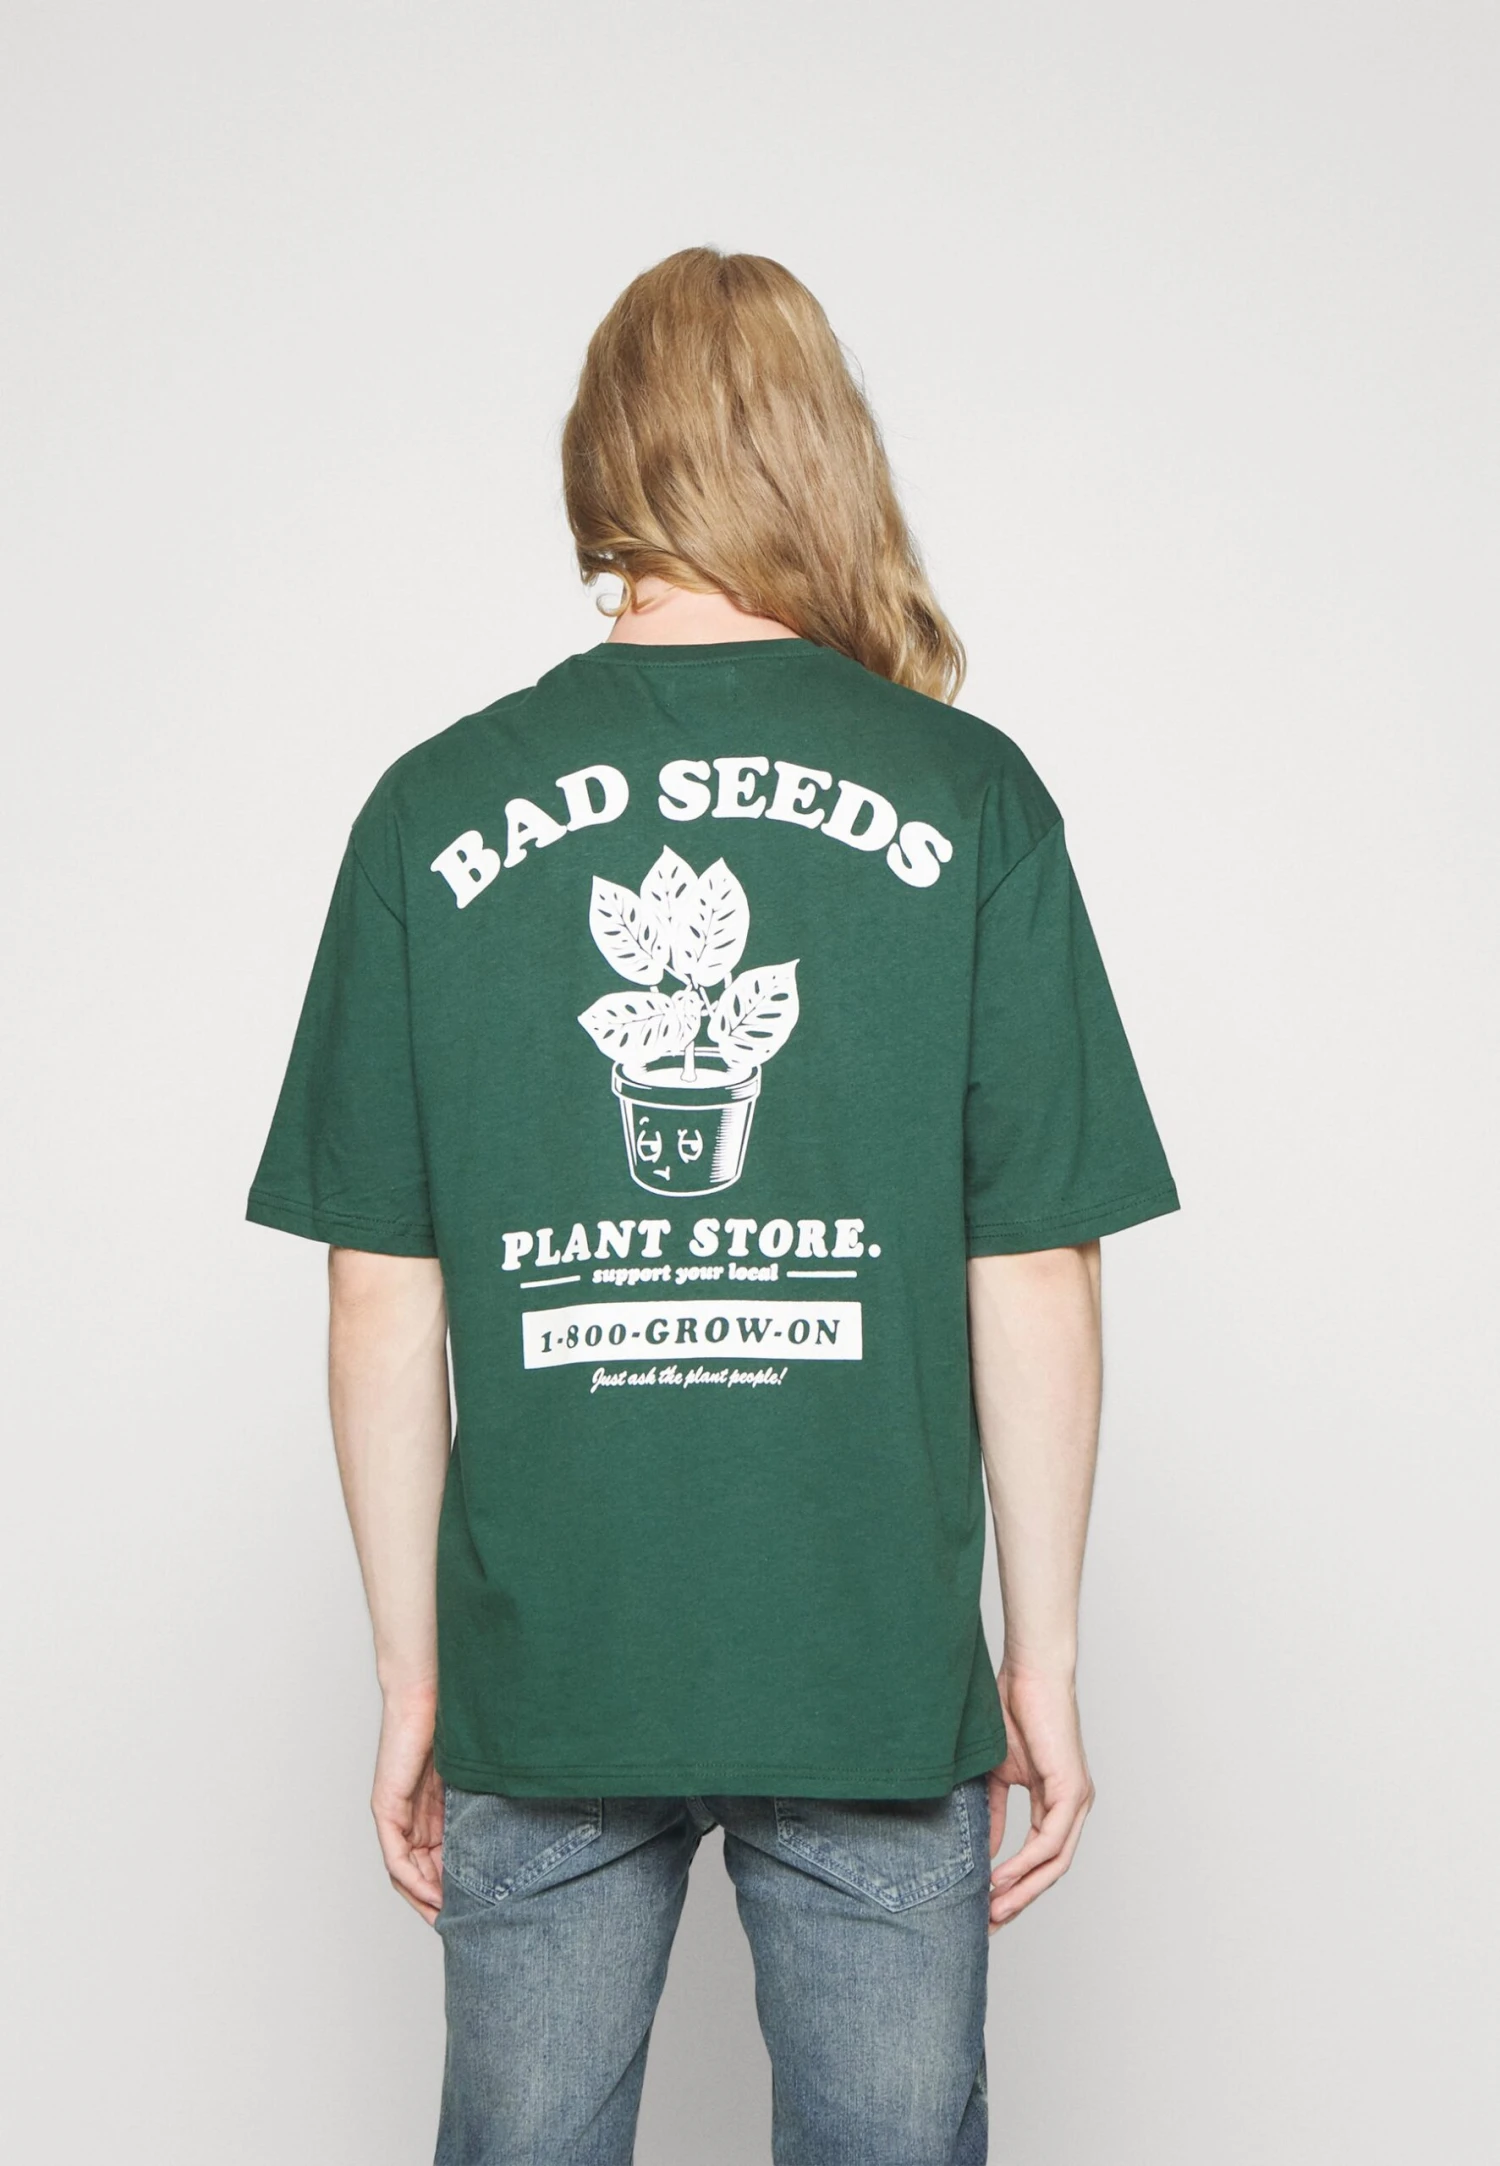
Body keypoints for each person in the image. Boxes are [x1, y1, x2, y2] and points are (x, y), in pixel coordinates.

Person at [247, 247, 1178, 2166]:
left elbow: (378, 1289)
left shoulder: (432, 809)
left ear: (604, 462)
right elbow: (1034, 1261)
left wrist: (415, 1676)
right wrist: (1042, 1659)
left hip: (548, 1669)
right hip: (868, 1670)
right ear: (822, 449)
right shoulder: (970, 796)